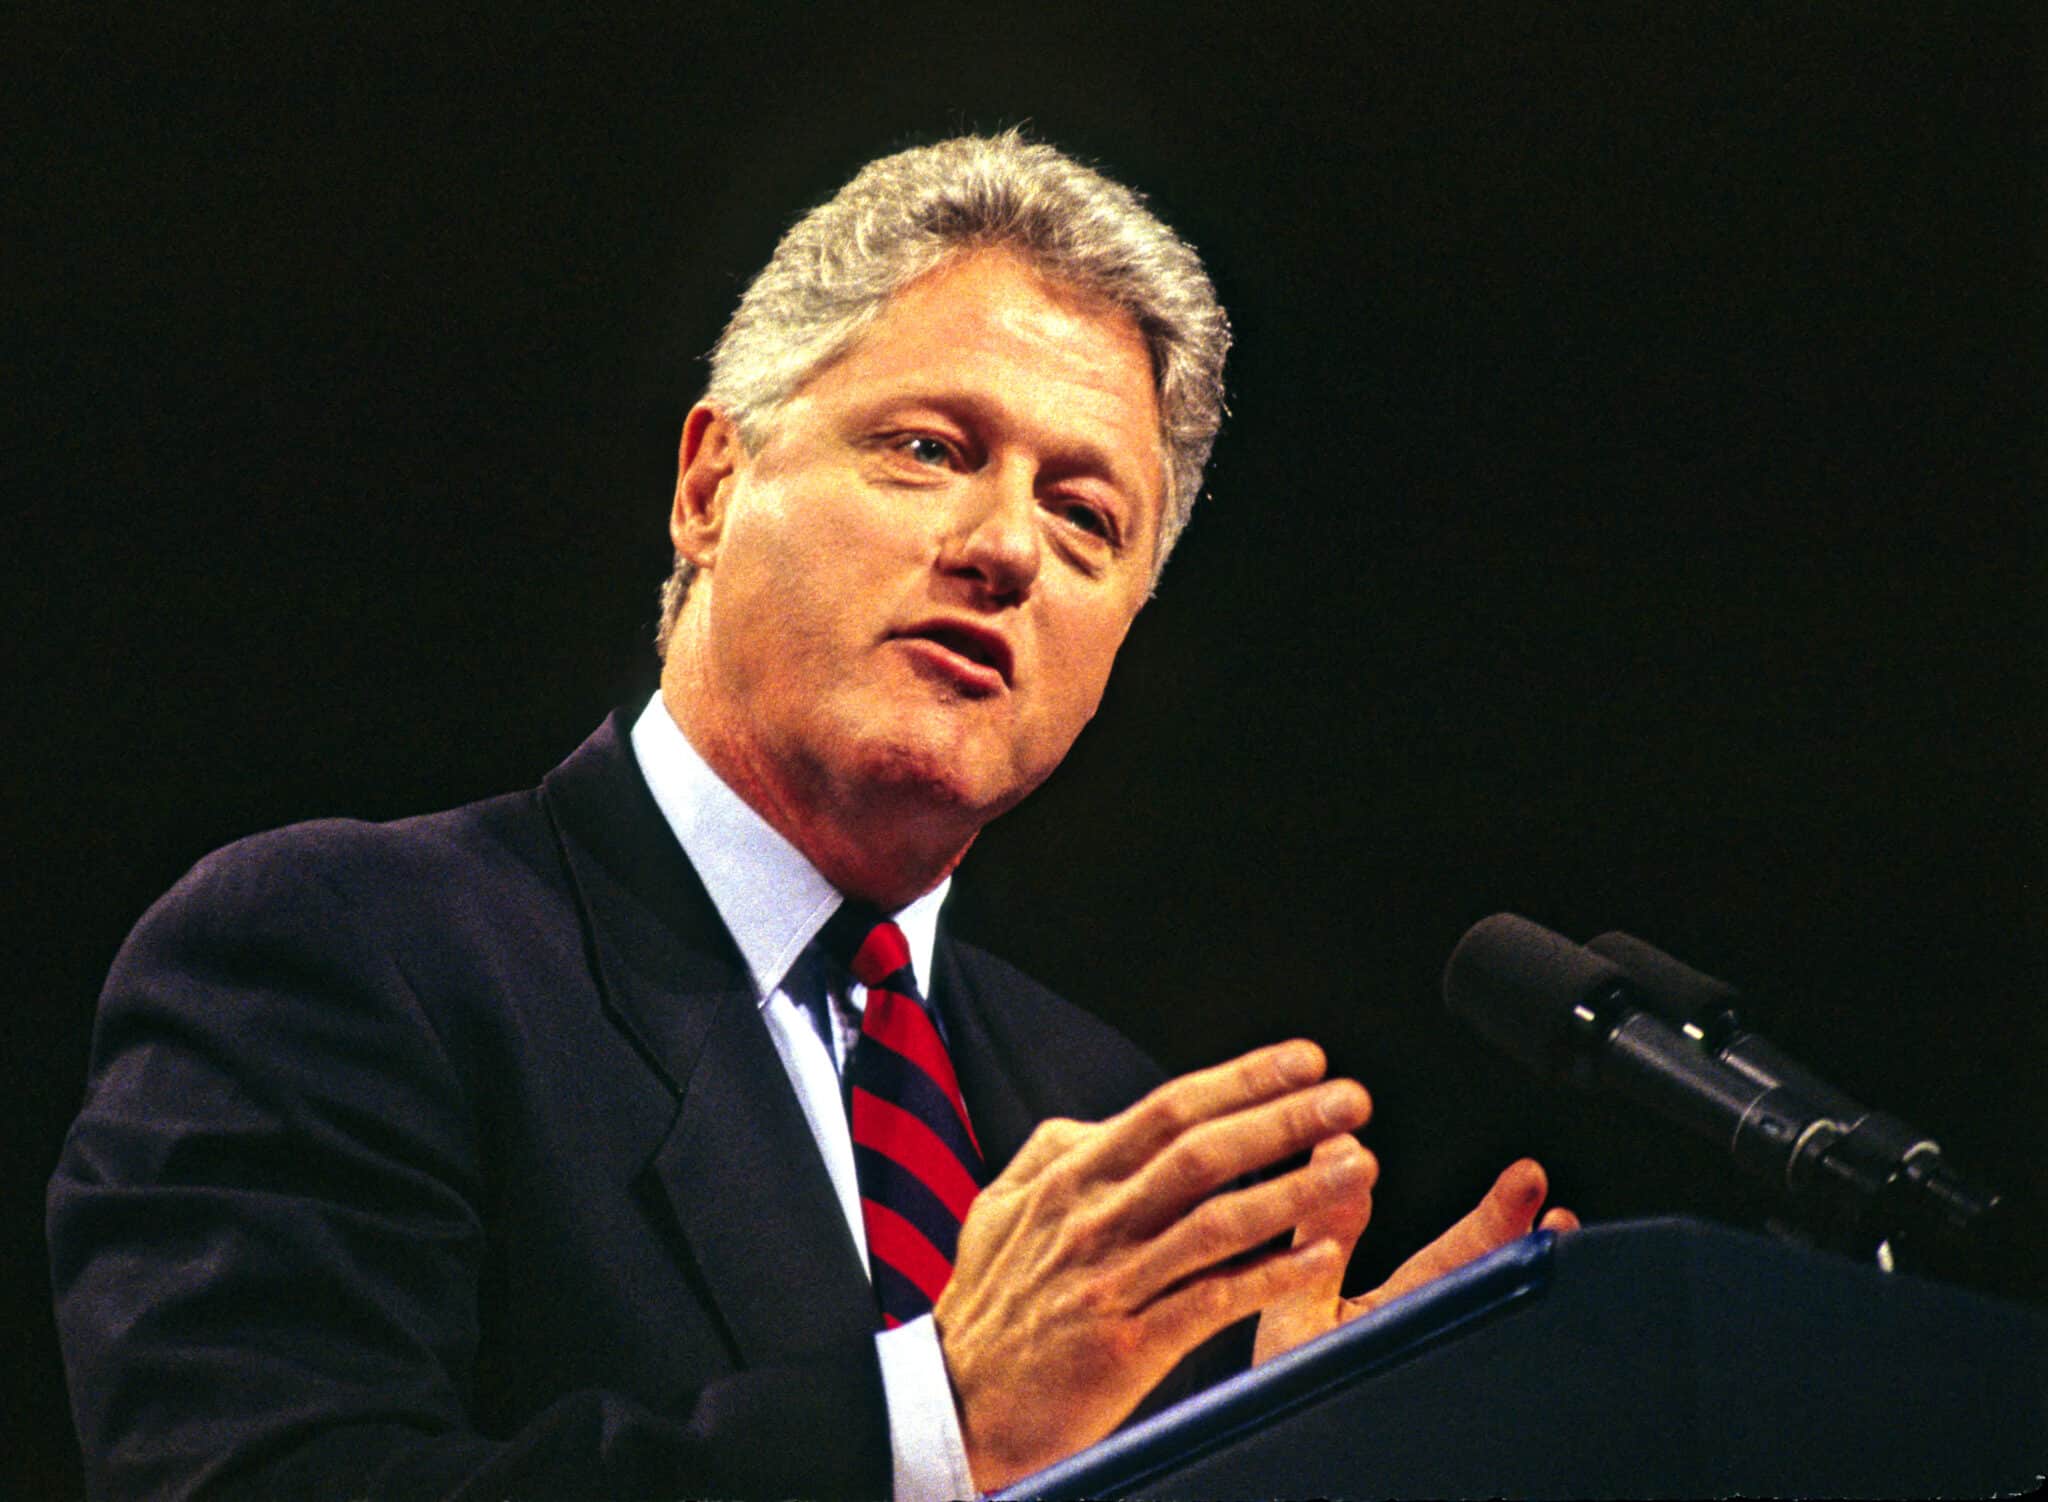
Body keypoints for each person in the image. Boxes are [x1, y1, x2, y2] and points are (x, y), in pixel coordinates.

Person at [49, 130, 1574, 1500]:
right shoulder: (346, 952)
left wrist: (1294, 1455)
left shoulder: (1105, 1123)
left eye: (1086, 515)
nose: (1004, 549)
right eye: (930, 449)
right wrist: (937, 1420)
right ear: (711, 483)